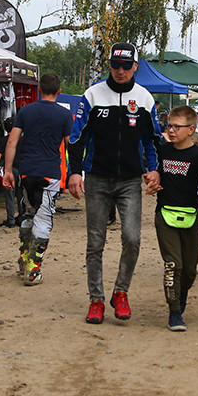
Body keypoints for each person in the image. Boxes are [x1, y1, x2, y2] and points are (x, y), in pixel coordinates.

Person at [67, 43, 160, 324]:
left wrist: (154, 169)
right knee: (96, 242)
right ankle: (96, 300)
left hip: (131, 181)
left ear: (135, 66)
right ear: (109, 65)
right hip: (96, 178)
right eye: (115, 65)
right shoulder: (92, 95)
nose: (120, 71)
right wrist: (74, 172)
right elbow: (76, 138)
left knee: (132, 239)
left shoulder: (144, 98)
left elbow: (152, 139)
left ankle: (121, 292)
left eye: (126, 66)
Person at [2, 73, 73, 285]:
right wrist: (75, 172)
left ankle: (24, 259)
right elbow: (71, 144)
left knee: (28, 213)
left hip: (26, 171)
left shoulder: (25, 111)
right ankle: (33, 268)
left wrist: (7, 170)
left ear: (39, 89)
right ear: (59, 91)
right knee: (44, 218)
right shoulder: (64, 115)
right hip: (49, 172)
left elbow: (11, 142)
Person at [150, 106, 198, 331]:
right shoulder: (162, 151)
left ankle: (181, 292)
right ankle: (174, 311)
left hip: (191, 217)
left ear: (191, 129)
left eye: (178, 126)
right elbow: (152, 171)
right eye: (170, 126)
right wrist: (151, 180)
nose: (172, 130)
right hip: (164, 214)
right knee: (172, 265)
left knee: (189, 271)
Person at [0, 117, 19, 227]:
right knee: (21, 193)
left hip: (10, 169)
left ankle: (11, 219)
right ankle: (22, 217)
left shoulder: (4, 140)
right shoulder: (22, 139)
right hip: (22, 169)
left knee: (10, 195)